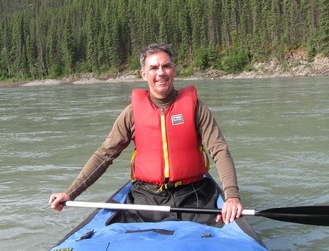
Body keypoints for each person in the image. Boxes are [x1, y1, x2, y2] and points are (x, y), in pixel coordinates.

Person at [49, 43, 243, 224]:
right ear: (144, 74)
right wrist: (70, 193)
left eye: (166, 66)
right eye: (153, 68)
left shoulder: (196, 108)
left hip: (193, 194)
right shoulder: (131, 113)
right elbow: (104, 155)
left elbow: (219, 149)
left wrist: (232, 197)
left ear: (174, 70)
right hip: (146, 197)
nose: (161, 73)